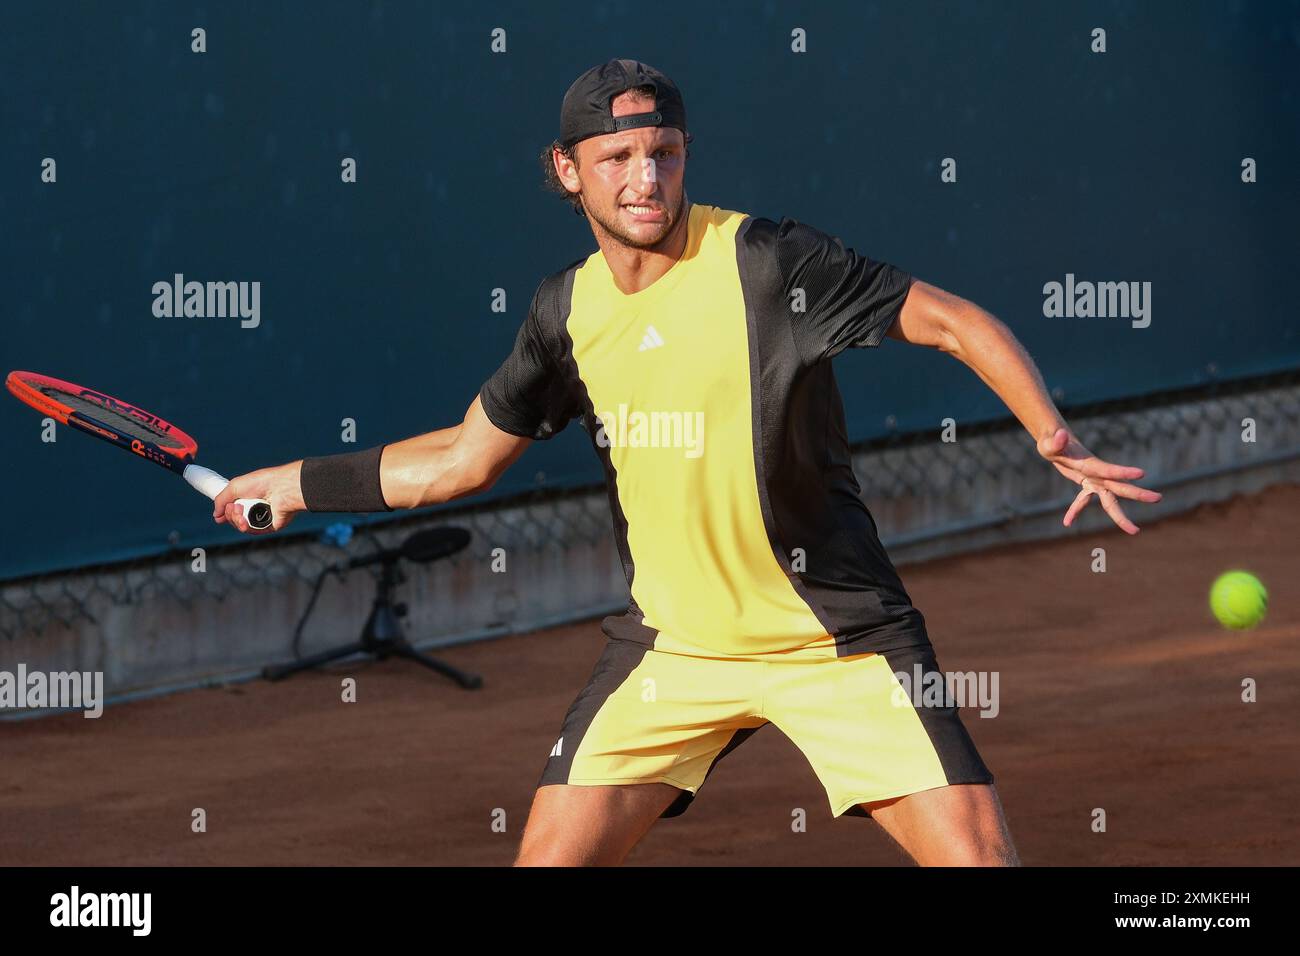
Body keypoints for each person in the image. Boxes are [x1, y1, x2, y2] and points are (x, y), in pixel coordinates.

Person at [214, 59, 1162, 866]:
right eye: (617, 157)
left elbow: (951, 320)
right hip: (674, 652)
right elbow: (462, 460)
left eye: (663, 152)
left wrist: (1049, 430)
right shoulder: (565, 311)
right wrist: (292, 484)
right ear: (567, 170)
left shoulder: (770, 263)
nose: (644, 177)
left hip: (836, 640)